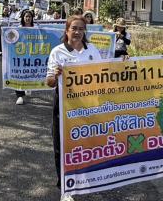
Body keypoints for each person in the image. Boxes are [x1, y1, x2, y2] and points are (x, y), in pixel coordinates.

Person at [46, 15, 102, 195]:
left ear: (85, 31)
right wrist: (55, 75)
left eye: (81, 29)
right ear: (67, 30)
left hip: (88, 105)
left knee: (87, 143)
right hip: (64, 106)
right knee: (62, 145)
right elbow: (49, 82)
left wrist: (123, 63)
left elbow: (104, 74)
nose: (77, 32)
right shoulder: (57, 52)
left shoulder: (92, 50)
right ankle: (65, 188)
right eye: (74, 28)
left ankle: (85, 179)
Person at [14, 9, 36, 105]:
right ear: (23, 18)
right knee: (19, 74)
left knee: (30, 72)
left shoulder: (36, 28)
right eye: (26, 16)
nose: (28, 18)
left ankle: (28, 86)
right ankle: (19, 95)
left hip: (33, 55)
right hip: (20, 55)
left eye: (29, 17)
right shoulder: (18, 28)